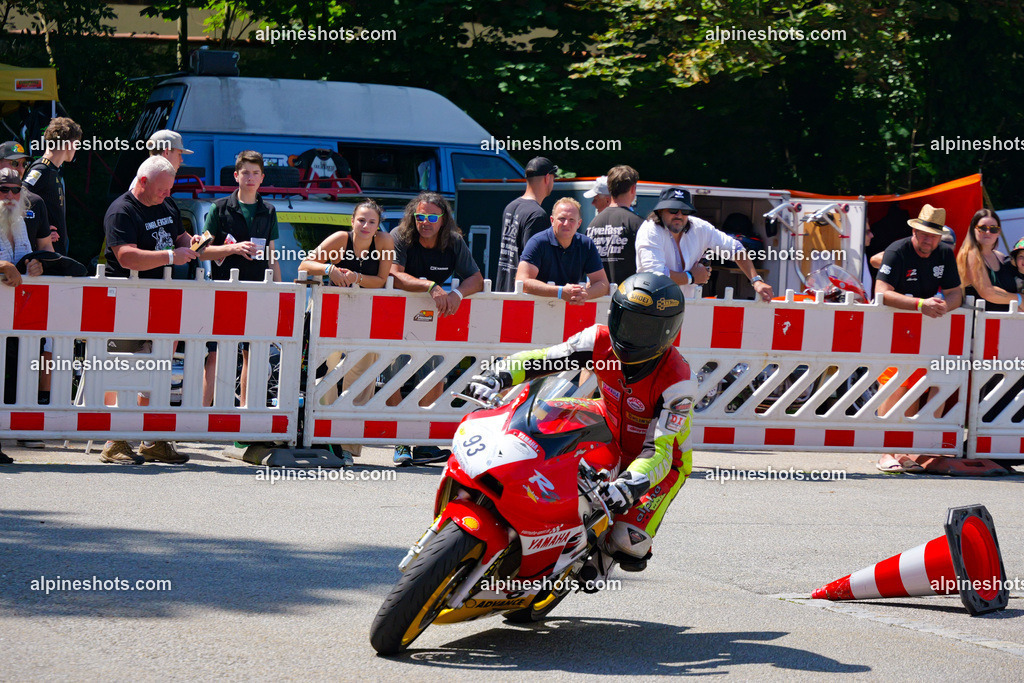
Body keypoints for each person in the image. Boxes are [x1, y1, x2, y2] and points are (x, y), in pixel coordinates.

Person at [466, 272, 693, 572]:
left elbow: (660, 450)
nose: (630, 334)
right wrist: (499, 375)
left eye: (643, 328)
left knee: (628, 542)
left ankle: (600, 560)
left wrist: (630, 484)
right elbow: (543, 359)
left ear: (667, 332)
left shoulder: (678, 381)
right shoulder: (598, 340)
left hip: (659, 463)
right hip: (608, 425)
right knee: (540, 416)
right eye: (626, 321)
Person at [101, 156, 199, 465]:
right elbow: (127, 256)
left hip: (161, 302)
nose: (167, 195)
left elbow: (179, 236)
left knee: (157, 371)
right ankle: (114, 440)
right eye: (161, 189)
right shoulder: (122, 210)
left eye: (170, 189)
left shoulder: (166, 205)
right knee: (124, 369)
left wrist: (192, 241)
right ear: (142, 182)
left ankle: (151, 438)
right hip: (128, 303)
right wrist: (171, 256)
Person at [389, 192, 484, 465]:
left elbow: (476, 279)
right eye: (420, 216)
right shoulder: (400, 235)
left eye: (432, 217)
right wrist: (430, 285)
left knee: (436, 373)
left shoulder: (453, 241)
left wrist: (458, 295)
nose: (425, 222)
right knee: (396, 375)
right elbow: (395, 275)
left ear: (443, 220)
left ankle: (424, 441)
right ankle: (401, 441)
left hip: (434, 320)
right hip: (397, 319)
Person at [299, 199, 394, 466]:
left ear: (378, 226)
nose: (366, 225)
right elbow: (305, 264)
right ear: (352, 221)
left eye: (372, 221)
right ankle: (323, 436)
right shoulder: (340, 239)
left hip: (367, 317)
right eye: (361, 220)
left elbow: (381, 281)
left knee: (362, 375)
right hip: (332, 316)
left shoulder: (385, 243)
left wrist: (356, 278)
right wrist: (330, 269)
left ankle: (349, 444)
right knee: (328, 371)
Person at [874, 204, 962, 473]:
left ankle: (904, 452)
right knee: (892, 383)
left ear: (940, 237)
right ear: (913, 229)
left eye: (933, 236)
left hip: (922, 327)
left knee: (915, 384)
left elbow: (956, 293)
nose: (927, 240)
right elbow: (882, 292)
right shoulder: (897, 250)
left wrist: (944, 306)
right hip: (891, 323)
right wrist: (921, 304)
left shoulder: (945, 253)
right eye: (923, 233)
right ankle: (884, 452)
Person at [200, 151, 282, 408]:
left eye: (256, 173)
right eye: (245, 172)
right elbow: (201, 250)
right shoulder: (220, 208)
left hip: (256, 292)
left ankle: (244, 412)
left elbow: (272, 256)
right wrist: (231, 249)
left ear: (262, 178)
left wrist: (277, 292)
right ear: (236, 176)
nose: (250, 177)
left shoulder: (268, 211)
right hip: (223, 292)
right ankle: (201, 414)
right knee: (215, 354)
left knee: (251, 354)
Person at [636, 187, 774, 301]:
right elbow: (656, 276)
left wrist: (756, 281)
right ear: (660, 211)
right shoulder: (650, 230)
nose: (679, 215)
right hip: (653, 309)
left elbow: (736, 248)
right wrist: (691, 277)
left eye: (684, 211)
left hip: (686, 308)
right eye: (673, 210)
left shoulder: (700, 227)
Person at [516, 197, 609, 303]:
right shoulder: (537, 242)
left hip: (571, 311)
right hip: (535, 309)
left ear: (579, 224)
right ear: (552, 220)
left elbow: (602, 283)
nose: (566, 224)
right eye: (562, 219)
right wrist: (560, 292)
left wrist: (584, 295)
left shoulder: (586, 244)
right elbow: (521, 281)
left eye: (571, 220)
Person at [495, 156, 556, 292]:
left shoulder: (510, 207)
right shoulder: (537, 215)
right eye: (553, 178)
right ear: (547, 178)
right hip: (522, 297)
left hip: (504, 289)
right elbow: (533, 261)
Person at [23, 117, 81, 256]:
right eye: (76, 144)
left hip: (55, 251)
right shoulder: (41, 169)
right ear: (69, 144)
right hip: (44, 255)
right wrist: (41, 230)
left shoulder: (53, 171)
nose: (76, 149)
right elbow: (19, 199)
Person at [956, 209, 1021, 312]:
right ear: (973, 229)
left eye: (993, 229)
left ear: (999, 232)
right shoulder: (970, 255)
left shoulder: (1000, 257)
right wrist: (1020, 299)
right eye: (982, 228)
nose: (988, 232)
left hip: (1004, 323)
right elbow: (987, 292)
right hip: (977, 324)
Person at [587, 165, 641, 284]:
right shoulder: (638, 224)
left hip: (598, 296)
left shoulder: (592, 225)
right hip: (629, 296)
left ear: (610, 189)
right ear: (633, 189)